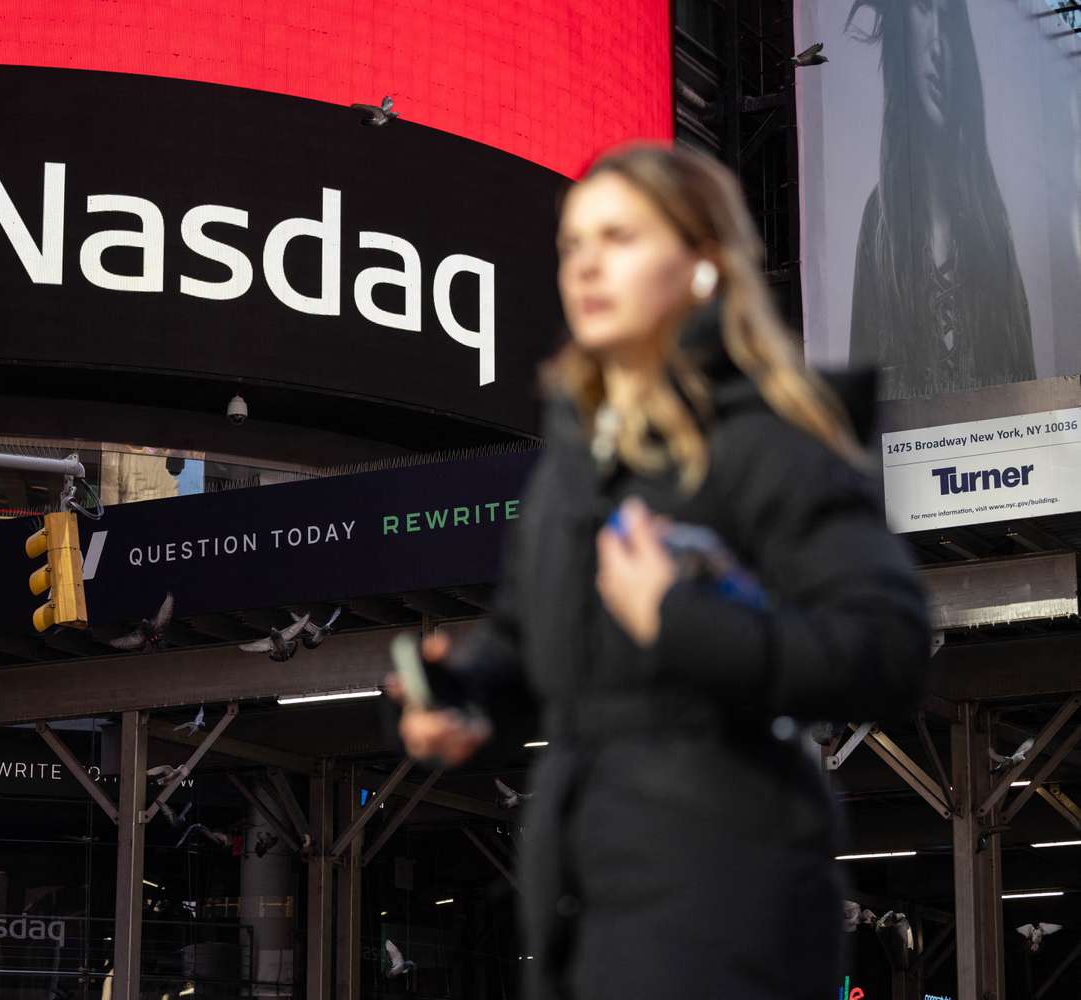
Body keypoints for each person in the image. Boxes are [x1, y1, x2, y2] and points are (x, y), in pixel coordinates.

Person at [388, 144, 930, 998]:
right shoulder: (575, 461)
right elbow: (535, 649)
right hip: (589, 908)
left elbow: (889, 648)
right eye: (573, 244)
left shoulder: (771, 443)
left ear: (705, 264)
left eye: (621, 236)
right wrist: (467, 692)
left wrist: (680, 621)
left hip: (727, 907)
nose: (588, 264)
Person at [847, 0, 1034, 398]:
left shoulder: (990, 220)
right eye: (924, 9)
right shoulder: (878, 225)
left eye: (949, 19)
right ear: (901, 29)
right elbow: (860, 413)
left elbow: (1028, 400)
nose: (937, 46)